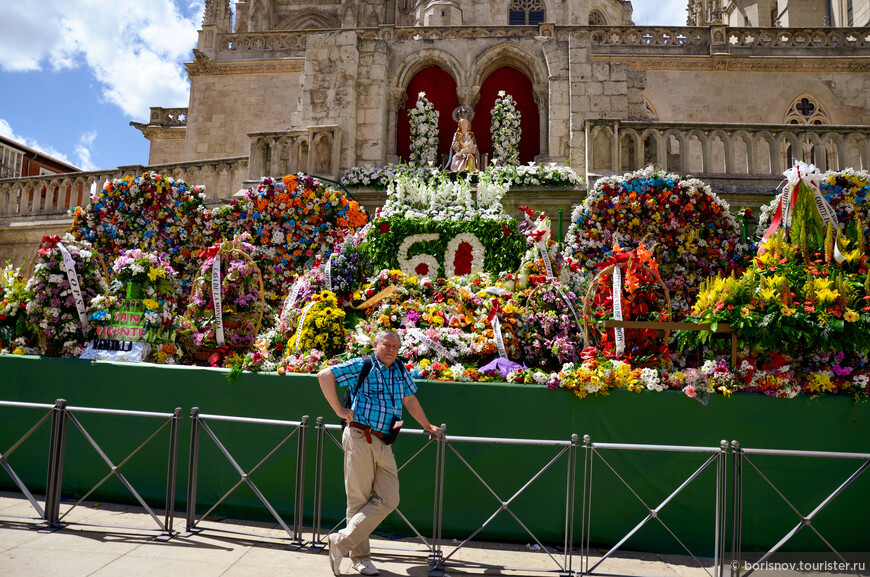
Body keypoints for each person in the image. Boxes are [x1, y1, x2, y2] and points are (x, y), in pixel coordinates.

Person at [318, 329, 441, 576]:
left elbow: (409, 400)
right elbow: (324, 375)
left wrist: (427, 426)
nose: (391, 350)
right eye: (386, 345)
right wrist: (340, 410)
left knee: (390, 498)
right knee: (358, 500)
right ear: (376, 344)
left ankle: (340, 542)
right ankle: (361, 559)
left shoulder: (398, 369)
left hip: (385, 442)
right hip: (360, 436)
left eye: (395, 347)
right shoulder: (362, 365)